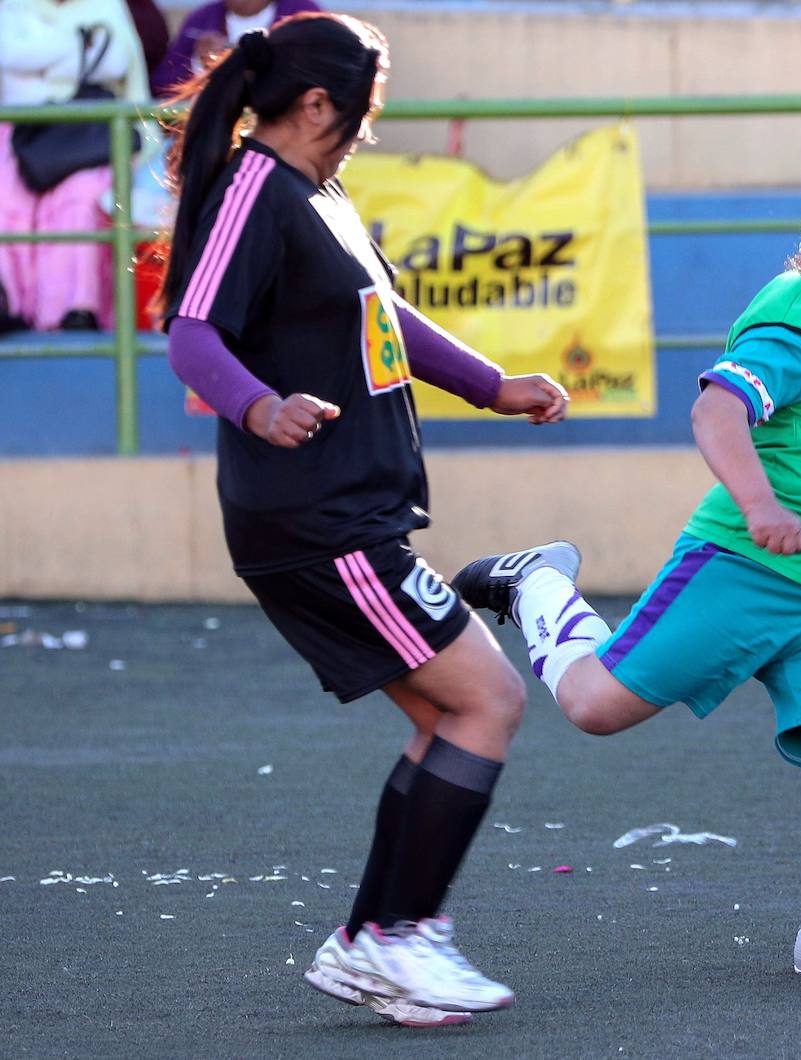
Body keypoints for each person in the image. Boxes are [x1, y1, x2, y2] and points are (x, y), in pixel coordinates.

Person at [455, 174, 801, 974]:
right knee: (593, 706)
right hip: (751, 573)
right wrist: (759, 507)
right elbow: (717, 410)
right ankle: (535, 580)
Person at [158, 13, 569, 1027]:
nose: (366, 132)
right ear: (314, 104)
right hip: (316, 521)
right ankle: (393, 938)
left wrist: (490, 384)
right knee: (489, 700)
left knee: (446, 717)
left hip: (349, 516)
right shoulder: (254, 189)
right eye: (364, 113)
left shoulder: (317, 193)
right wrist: (260, 404)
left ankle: (378, 939)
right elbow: (191, 328)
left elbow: (383, 318)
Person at [0, 0, 150, 332]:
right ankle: (8, 302)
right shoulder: (11, 7)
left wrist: (40, 57)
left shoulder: (105, 5)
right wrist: (75, 43)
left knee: (80, 200)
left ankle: (77, 310)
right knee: (5, 198)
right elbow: (9, 55)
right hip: (15, 136)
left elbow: (113, 63)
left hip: (83, 139)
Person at [151, 0, 318, 97]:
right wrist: (198, 64)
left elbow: (319, 76)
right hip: (209, 133)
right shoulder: (201, 19)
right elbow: (162, 87)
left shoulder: (303, 15)